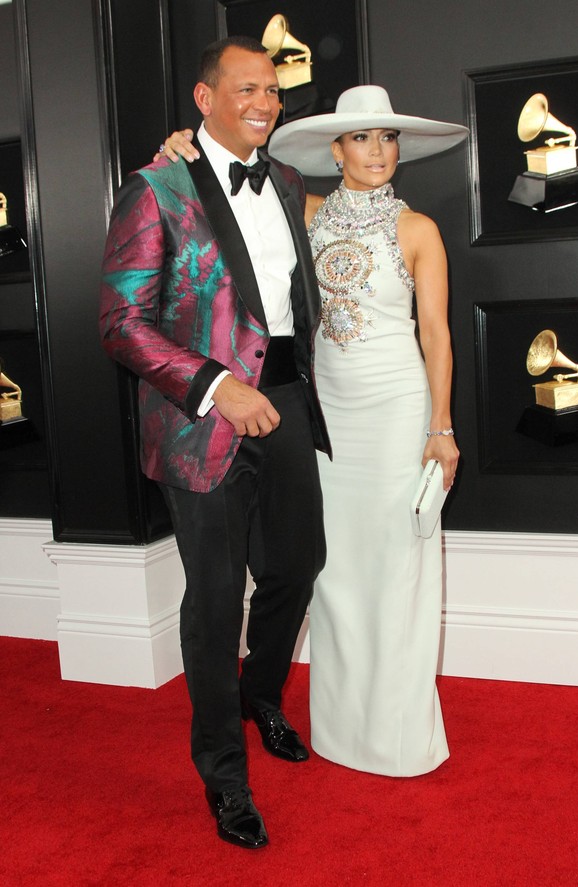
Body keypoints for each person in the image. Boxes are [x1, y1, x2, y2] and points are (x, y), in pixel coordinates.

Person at [160, 84, 468, 777]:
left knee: (395, 569)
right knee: (331, 572)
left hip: (396, 411)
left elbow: (436, 334)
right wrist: (179, 147)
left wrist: (441, 427)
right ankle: (339, 726)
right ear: (335, 150)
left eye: (388, 138)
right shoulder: (301, 211)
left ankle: (394, 732)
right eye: (362, 138)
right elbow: (222, 191)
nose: (378, 151)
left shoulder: (418, 229)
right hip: (325, 416)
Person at [100, 35, 331, 850]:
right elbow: (121, 324)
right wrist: (214, 387)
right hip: (202, 420)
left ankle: (259, 691)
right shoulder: (155, 189)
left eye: (271, 89)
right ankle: (224, 778)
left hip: (289, 405)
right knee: (211, 603)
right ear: (204, 99)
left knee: (298, 565)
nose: (265, 102)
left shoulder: (292, 180)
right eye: (245, 89)